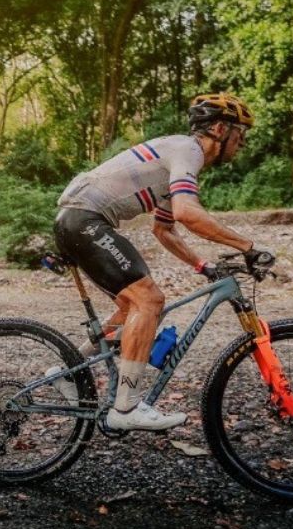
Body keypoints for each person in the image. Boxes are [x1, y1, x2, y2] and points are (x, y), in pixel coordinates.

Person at [53, 92, 275, 431]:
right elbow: (189, 213)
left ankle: (66, 371)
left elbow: (165, 228)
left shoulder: (178, 159)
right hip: (84, 221)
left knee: (133, 309)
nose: (242, 142)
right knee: (150, 300)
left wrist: (203, 266)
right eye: (240, 133)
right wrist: (248, 246)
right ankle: (125, 409)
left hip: (79, 221)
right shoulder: (188, 151)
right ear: (219, 128)